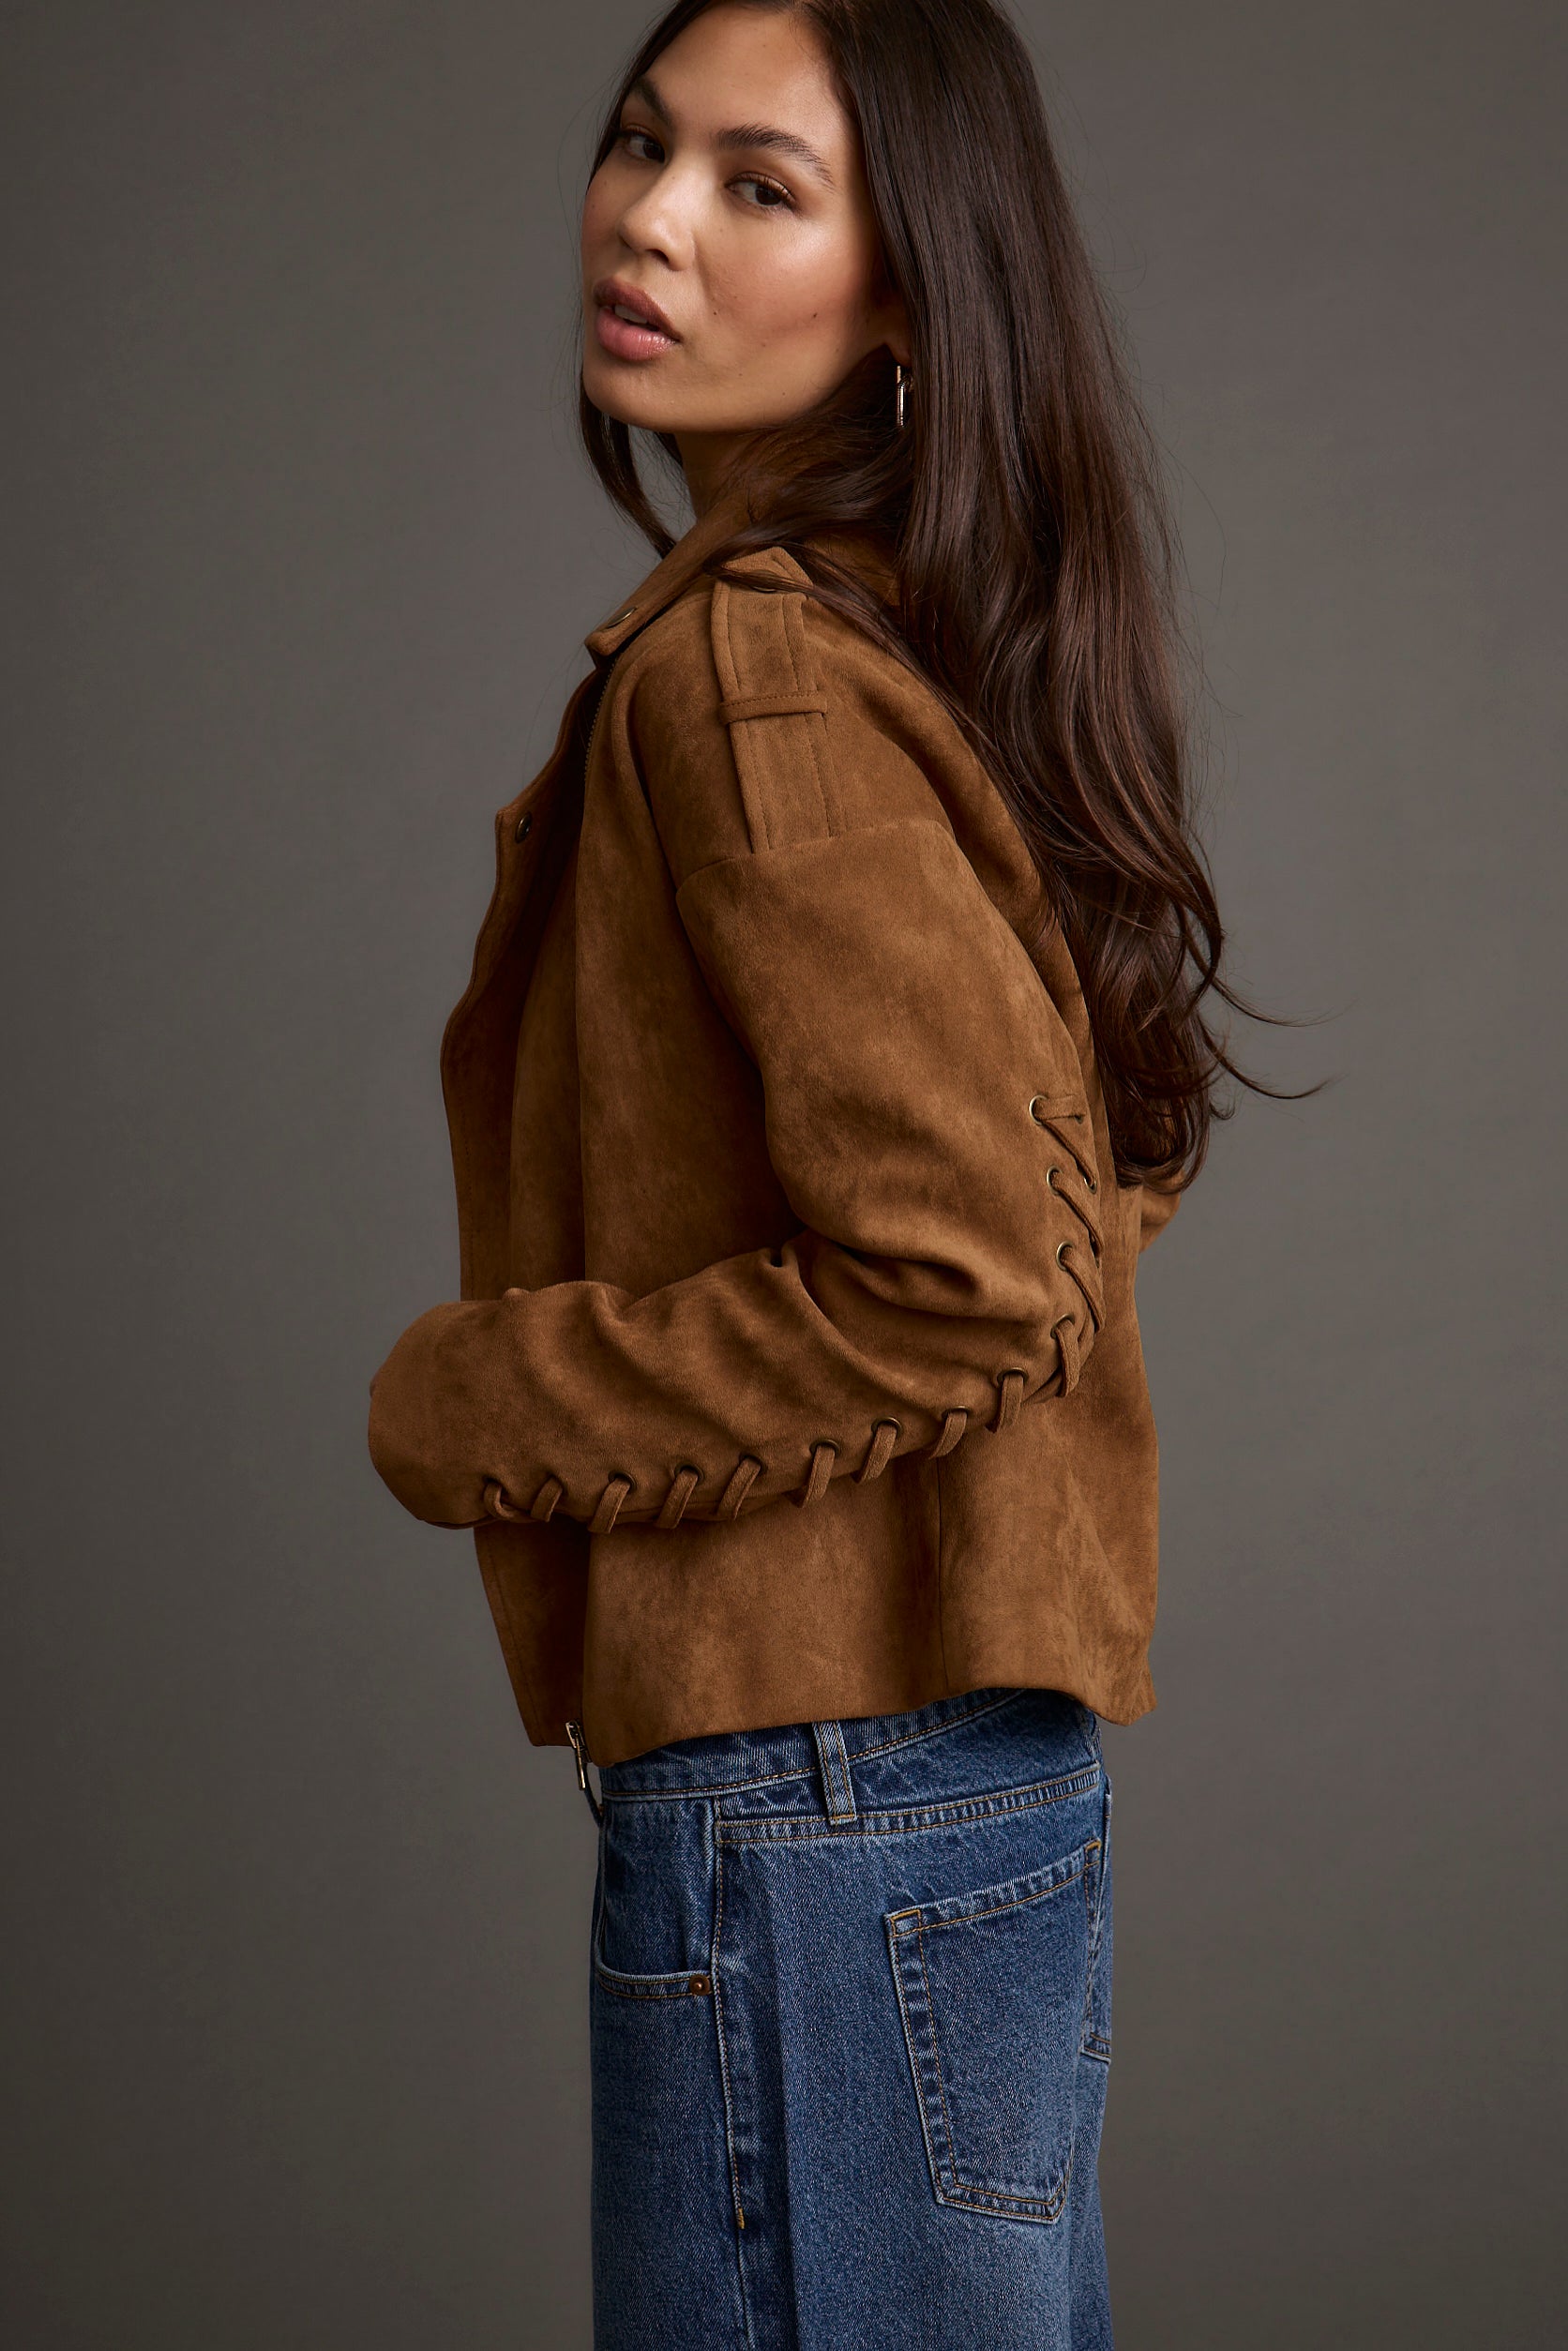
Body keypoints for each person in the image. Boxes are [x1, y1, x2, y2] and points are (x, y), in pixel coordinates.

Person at [368, 3, 1256, 2343]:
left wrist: (482, 1403)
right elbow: (1082, 1169)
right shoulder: (900, 633)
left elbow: (969, 1269)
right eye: (638, 144)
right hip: (951, 1779)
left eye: (757, 185)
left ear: (905, 297)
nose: (647, 218)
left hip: (817, 1791)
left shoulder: (748, 677)